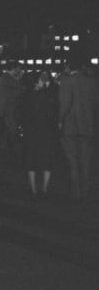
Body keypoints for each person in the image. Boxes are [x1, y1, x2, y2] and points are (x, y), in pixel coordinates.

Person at [58, 53, 99, 203]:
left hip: (70, 126)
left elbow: (65, 104)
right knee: (86, 160)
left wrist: (60, 121)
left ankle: (76, 193)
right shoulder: (92, 81)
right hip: (87, 127)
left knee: (72, 161)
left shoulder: (66, 81)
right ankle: (86, 191)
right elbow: (96, 103)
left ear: (69, 66)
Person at [22, 72, 58, 200]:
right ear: (37, 82)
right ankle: (45, 188)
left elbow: (19, 114)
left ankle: (33, 189)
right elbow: (52, 114)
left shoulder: (26, 96)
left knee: (31, 160)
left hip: (31, 131)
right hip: (46, 131)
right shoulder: (46, 96)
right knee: (46, 159)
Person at [0, 62, 24, 152]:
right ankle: (9, 147)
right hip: (9, 108)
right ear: (14, 69)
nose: (20, 71)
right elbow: (18, 88)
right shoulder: (7, 78)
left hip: (8, 107)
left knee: (8, 128)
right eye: (18, 69)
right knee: (12, 127)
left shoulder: (7, 78)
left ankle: (3, 146)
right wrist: (20, 78)